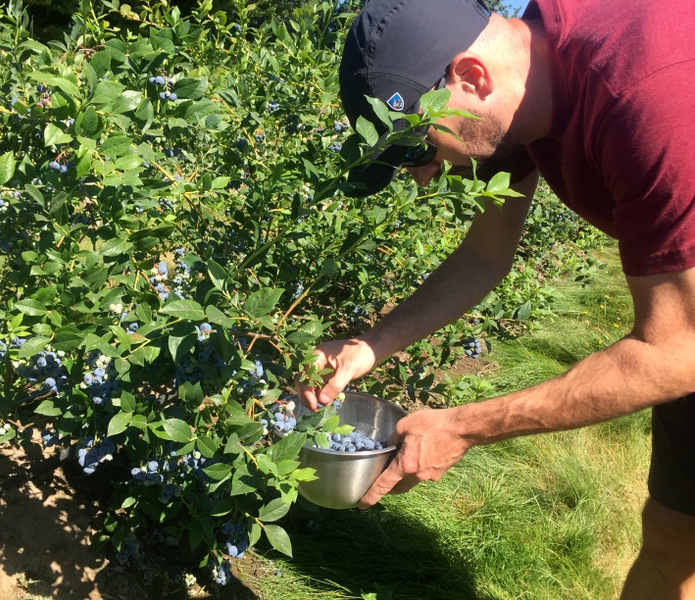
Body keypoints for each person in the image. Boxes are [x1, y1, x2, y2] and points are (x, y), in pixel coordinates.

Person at [296, 0, 695, 597]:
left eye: (416, 149)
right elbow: (485, 255)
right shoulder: (517, 91)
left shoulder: (647, 96)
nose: (424, 176)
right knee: (673, 536)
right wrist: (368, 347)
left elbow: (676, 353)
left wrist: (463, 426)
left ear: (471, 76)